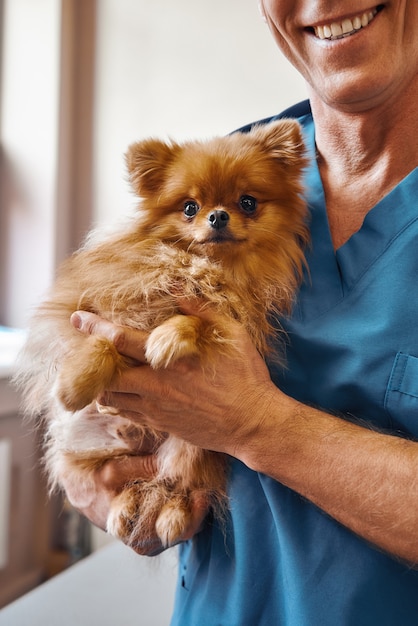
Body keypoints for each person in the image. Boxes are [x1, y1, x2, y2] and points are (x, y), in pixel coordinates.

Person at [64, 2, 418, 624]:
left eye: (246, 205)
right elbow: (90, 376)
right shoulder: (242, 164)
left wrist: (256, 425)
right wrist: (96, 471)